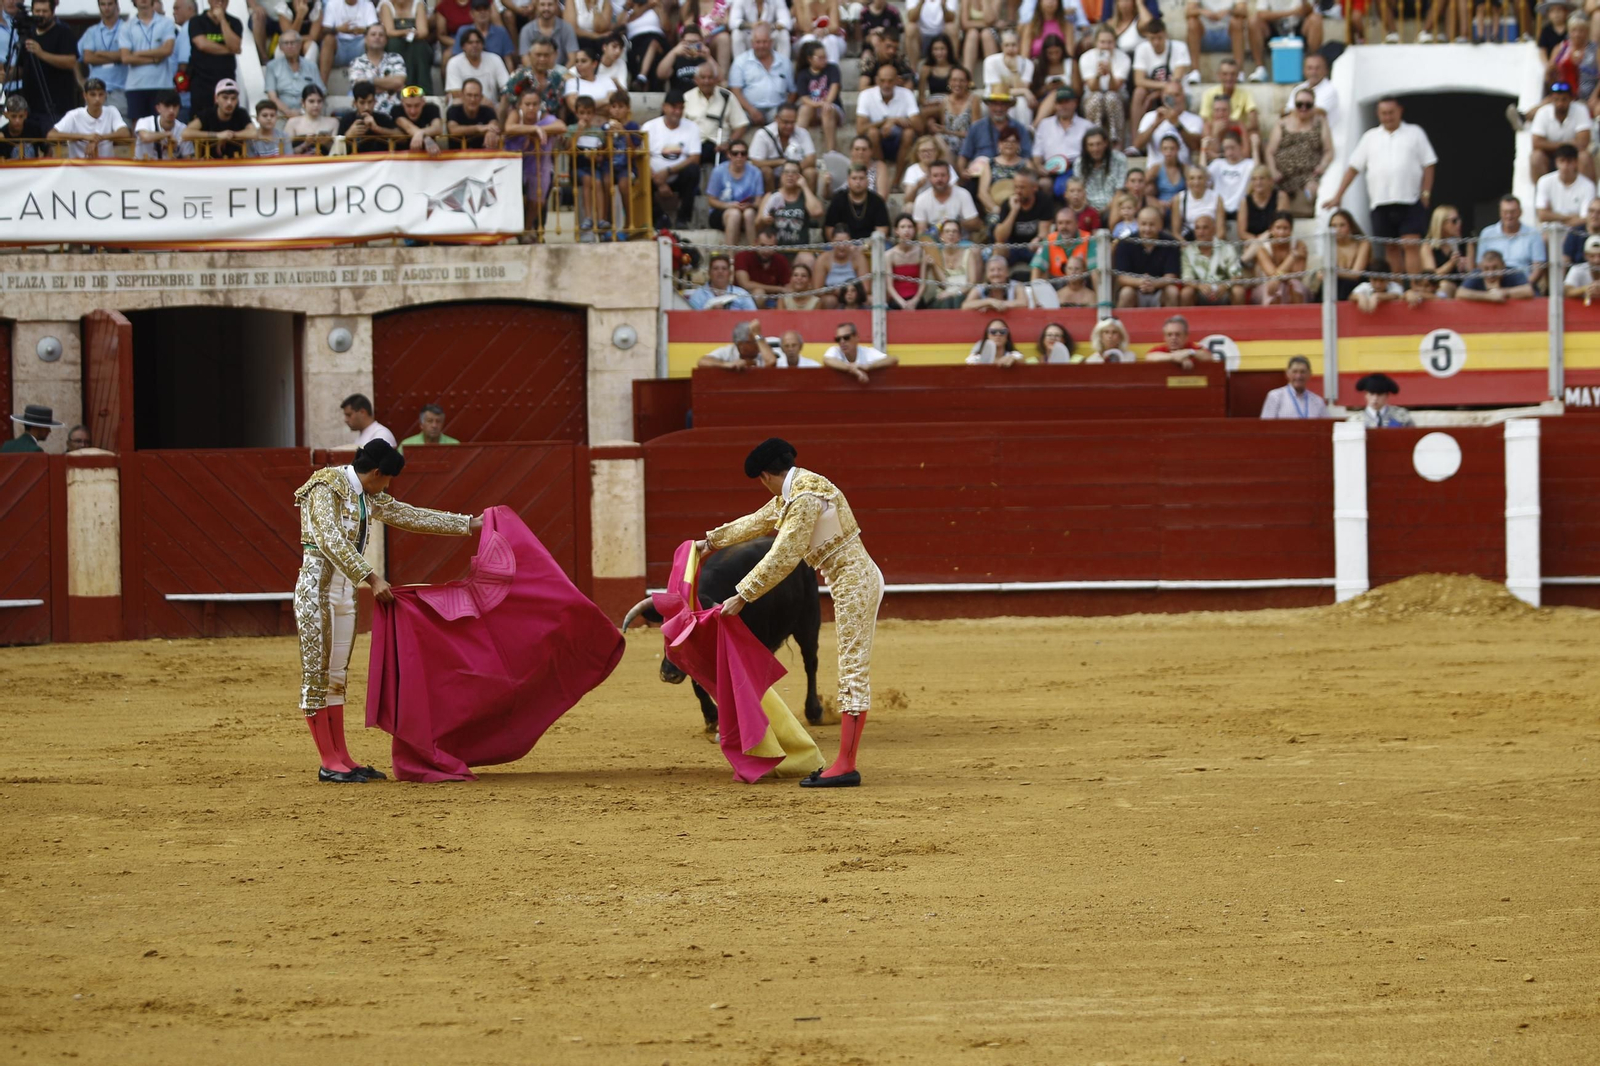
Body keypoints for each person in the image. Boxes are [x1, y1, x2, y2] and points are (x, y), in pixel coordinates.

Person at [293, 440, 484, 782]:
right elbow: (330, 539)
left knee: (336, 676)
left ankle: (343, 757)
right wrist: (372, 577)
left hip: (344, 593)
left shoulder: (367, 494)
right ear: (378, 472)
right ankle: (328, 761)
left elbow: (408, 515)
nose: (386, 488)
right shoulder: (325, 485)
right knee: (317, 675)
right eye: (387, 480)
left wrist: (469, 524)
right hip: (315, 592)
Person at [697, 439, 881, 788]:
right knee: (851, 668)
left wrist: (743, 595)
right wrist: (709, 542)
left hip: (855, 583)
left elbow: (785, 554)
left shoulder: (803, 497)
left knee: (852, 671)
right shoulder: (799, 489)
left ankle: (846, 765)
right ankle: (845, 762)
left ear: (765, 476)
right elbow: (758, 521)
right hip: (850, 578)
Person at [1323, 97, 1436, 282]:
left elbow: (1429, 164)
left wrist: (1426, 193)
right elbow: (1354, 167)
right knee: (1390, 247)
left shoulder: (1415, 133)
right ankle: (1397, 288)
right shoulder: (1370, 137)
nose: (1388, 117)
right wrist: (1338, 195)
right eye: (1384, 113)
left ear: (1400, 111)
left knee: (1410, 245)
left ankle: (1416, 288)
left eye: (1391, 112)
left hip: (1410, 199)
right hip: (1380, 202)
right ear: (1378, 114)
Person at [1267, 85, 1332, 216]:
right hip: (1282, 177)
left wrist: (1322, 166)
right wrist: (1273, 171)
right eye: (1299, 104)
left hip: (1308, 177)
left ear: (1313, 105)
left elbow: (1329, 150)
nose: (1303, 108)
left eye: (1308, 105)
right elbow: (1270, 151)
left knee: (1309, 197)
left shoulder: (1320, 122)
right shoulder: (1282, 123)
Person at [642, 88, 703, 226]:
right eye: (674, 107)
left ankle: (683, 219)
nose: (677, 111)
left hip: (678, 176)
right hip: (653, 176)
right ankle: (659, 217)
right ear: (664, 107)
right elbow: (642, 158)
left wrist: (668, 171)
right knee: (638, 174)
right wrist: (659, 181)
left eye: (681, 108)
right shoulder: (649, 127)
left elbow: (695, 158)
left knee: (693, 170)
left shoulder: (692, 127)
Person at [18, 0, 80, 131]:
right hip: (30, 107)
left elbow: (70, 62)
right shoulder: (28, 35)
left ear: (52, 12)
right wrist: (6, 74)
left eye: (44, 11)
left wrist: (41, 54)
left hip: (56, 107)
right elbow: (21, 67)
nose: (40, 15)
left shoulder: (64, 33)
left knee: (53, 142)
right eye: (37, 11)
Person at [118, 0, 177, 126]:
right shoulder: (126, 26)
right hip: (136, 86)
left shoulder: (166, 22)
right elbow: (126, 58)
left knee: (163, 125)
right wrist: (154, 59)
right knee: (138, 127)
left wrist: (138, 53)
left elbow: (167, 50)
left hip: (162, 84)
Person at [857, 60, 922, 172]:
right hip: (875, 142)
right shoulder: (866, 95)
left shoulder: (906, 94)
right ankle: (882, 173)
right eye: (882, 81)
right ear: (877, 80)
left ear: (897, 80)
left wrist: (896, 122)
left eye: (890, 81)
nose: (886, 85)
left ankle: (897, 179)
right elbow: (860, 129)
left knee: (909, 133)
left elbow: (920, 127)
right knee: (872, 133)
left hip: (900, 141)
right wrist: (886, 121)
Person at [683, 60, 748, 166]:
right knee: (688, 169)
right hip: (695, 147)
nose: (706, 81)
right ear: (696, 80)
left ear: (716, 79)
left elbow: (741, 125)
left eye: (710, 77)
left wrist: (729, 143)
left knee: (728, 167)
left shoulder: (727, 96)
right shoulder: (687, 97)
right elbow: (679, 126)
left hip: (720, 146)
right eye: (703, 77)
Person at [48, 77, 130, 159]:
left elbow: (125, 133)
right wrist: (84, 137)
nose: (97, 99)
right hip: (78, 164)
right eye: (93, 95)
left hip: (105, 164)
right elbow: (51, 135)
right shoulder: (74, 115)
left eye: (100, 94)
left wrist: (97, 139)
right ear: (85, 95)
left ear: (105, 95)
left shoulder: (111, 111)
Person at [1478, 195, 1547, 291]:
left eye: (1513, 212)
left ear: (1520, 212)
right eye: (1505, 212)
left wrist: (1523, 288)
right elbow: (1480, 265)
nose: (1509, 216)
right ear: (1500, 213)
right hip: (1492, 286)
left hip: (1524, 285)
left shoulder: (1533, 234)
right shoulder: (1487, 234)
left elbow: (1538, 268)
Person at [728, 22, 792, 125]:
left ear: (771, 42)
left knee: (785, 119)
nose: (761, 46)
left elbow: (793, 91)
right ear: (752, 43)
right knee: (736, 119)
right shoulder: (740, 61)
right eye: (758, 42)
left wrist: (784, 110)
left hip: (776, 109)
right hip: (748, 109)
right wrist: (751, 110)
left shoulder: (784, 62)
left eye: (765, 42)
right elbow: (735, 90)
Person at [1115, 205, 1180, 307]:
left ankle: (1172, 318)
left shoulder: (1170, 243)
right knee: (1126, 292)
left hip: (1160, 289)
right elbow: (1122, 277)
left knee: (1172, 291)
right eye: (1143, 224)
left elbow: (1171, 276)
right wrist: (1140, 282)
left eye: (1152, 224)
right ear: (1137, 223)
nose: (1147, 229)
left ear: (1160, 225)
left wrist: (1154, 284)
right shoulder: (1125, 243)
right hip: (1135, 289)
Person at [1530, 80, 1593, 182]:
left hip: (1573, 156)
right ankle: (1539, 190)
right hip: (1550, 157)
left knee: (1584, 157)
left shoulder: (1580, 110)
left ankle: (1587, 191)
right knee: (1536, 157)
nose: (1560, 103)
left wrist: (1549, 144)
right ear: (1551, 99)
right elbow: (1536, 143)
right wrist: (1567, 144)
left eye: (1564, 99)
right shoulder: (1542, 113)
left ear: (1571, 99)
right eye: (1556, 99)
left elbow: (1583, 143)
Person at [750, 102, 818, 193]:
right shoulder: (762, 134)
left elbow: (811, 159)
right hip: (772, 176)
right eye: (786, 122)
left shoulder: (802, 133)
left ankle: (807, 202)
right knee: (766, 171)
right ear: (776, 119)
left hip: (796, 174)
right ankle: (770, 199)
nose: (789, 126)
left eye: (792, 122)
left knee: (811, 172)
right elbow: (755, 162)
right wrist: (782, 162)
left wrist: (791, 172)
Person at [77, 0, 129, 120]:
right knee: (92, 126)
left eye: (110, 4)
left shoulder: (127, 28)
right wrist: (80, 80)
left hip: (120, 90)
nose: (106, 8)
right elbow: (86, 57)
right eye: (103, 4)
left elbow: (126, 56)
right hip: (95, 90)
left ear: (117, 6)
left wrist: (100, 53)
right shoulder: (92, 32)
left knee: (122, 127)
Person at [1129, 18, 1189, 121]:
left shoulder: (1180, 47)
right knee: (1139, 92)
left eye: (1159, 38)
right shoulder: (1141, 49)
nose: (1156, 42)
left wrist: (1156, 93)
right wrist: (1162, 86)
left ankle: (1176, 125)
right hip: (1155, 88)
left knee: (1172, 92)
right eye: (1152, 38)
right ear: (1147, 37)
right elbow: (1139, 80)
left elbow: (1176, 80)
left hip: (1174, 89)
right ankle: (1136, 130)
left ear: (1166, 35)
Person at [1248, 0, 1320, 84]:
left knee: (1315, 19)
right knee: (1253, 21)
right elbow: (1261, 14)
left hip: (1299, 27)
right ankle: (1261, 69)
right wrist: (1292, 12)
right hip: (1275, 28)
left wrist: (1304, 4)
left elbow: (1309, 10)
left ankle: (1310, 66)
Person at [1180, 212, 1243, 305]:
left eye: (1205, 228)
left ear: (1214, 230)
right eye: (1197, 228)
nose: (1201, 232)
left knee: (1238, 291)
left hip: (1224, 291)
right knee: (1186, 293)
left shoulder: (1227, 248)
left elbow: (1236, 274)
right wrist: (1199, 286)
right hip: (1200, 292)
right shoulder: (1188, 251)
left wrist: (1225, 286)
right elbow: (1187, 278)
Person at [182, 78, 256, 157]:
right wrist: (217, 135)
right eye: (225, 98)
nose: (229, 102)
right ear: (216, 98)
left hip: (236, 161)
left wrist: (230, 135)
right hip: (209, 161)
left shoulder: (241, 113)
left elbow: (254, 133)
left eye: (233, 98)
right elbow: (185, 133)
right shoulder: (207, 114)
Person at [263, 30, 326, 117]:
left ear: (300, 45)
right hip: (282, 113)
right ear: (280, 47)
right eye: (286, 43)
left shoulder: (311, 66)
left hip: (308, 112)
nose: (289, 46)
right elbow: (272, 96)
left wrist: (304, 111)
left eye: (293, 43)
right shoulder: (272, 66)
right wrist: (288, 112)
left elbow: (321, 92)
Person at [349, 23, 408, 113]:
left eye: (381, 35)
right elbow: (360, 90)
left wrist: (370, 80)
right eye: (373, 34)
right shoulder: (357, 62)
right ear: (365, 39)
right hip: (367, 113)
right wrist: (390, 87)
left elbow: (399, 82)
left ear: (386, 40)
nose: (377, 37)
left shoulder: (396, 58)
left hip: (394, 113)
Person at [319, 0, 380, 86]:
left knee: (373, 39)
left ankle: (374, 84)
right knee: (328, 39)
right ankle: (322, 87)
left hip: (359, 45)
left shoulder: (367, 5)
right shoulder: (332, 4)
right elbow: (325, 30)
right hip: (339, 46)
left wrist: (363, 30)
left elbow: (376, 29)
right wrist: (339, 29)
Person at [913, 158, 981, 234]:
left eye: (943, 175)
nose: (939, 179)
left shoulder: (963, 194)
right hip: (933, 240)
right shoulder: (921, 199)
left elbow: (975, 224)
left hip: (961, 239)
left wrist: (953, 223)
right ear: (929, 178)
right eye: (935, 176)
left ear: (949, 176)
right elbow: (921, 231)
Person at [824, 163, 891, 239]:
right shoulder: (838, 200)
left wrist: (869, 244)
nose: (858, 182)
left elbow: (882, 230)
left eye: (861, 178)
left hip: (870, 243)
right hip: (843, 243)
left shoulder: (877, 201)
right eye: (854, 178)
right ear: (848, 181)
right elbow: (829, 229)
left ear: (867, 181)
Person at [1536, 143, 1597, 227]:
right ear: (1556, 162)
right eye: (1562, 161)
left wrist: (1552, 215)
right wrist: (1570, 217)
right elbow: (1542, 215)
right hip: (1550, 230)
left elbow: (1585, 218)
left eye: (1569, 162)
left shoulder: (1588, 186)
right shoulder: (1544, 181)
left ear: (1576, 163)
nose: (1565, 166)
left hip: (1577, 230)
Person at [734, 224, 795, 306]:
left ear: (776, 246)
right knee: (759, 293)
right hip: (744, 301)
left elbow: (788, 286)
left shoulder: (781, 260)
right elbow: (745, 284)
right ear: (755, 243)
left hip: (774, 301)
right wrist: (779, 289)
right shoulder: (742, 256)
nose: (766, 250)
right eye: (762, 245)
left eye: (770, 246)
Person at [446, 27, 509, 100]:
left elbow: (506, 87)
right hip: (463, 105)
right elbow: (456, 93)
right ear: (463, 46)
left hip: (491, 105)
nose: (474, 45)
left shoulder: (495, 59)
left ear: (482, 45)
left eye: (478, 42)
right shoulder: (454, 63)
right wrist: (482, 101)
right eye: (470, 43)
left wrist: (501, 105)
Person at [337, 79, 400, 150]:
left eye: (370, 102)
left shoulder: (383, 118)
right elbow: (336, 151)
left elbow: (402, 137)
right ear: (355, 103)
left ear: (375, 102)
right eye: (362, 103)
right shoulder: (346, 120)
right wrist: (348, 136)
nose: (366, 107)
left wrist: (377, 129)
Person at [822, 322, 896, 381]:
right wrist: (853, 369)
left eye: (846, 337)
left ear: (857, 337)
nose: (842, 342)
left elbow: (893, 359)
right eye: (838, 339)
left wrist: (868, 367)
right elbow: (826, 360)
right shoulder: (835, 350)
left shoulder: (866, 352)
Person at [1259, 355, 1327, 419]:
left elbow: (1328, 425)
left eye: (1302, 372)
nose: (1298, 376)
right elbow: (1266, 425)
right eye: (1295, 372)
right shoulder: (1275, 397)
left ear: (1309, 374)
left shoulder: (1318, 402)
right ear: (1287, 373)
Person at [1458, 249, 1536, 302]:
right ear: (1481, 267)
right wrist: (1488, 296)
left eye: (1495, 268)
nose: (1491, 273)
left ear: (1503, 266)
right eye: (1486, 268)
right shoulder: (1477, 274)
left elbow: (1528, 291)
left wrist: (1503, 292)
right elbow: (1460, 293)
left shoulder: (1512, 272)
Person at [688, 254, 760, 309]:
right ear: (709, 273)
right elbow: (692, 319)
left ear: (730, 273)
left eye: (724, 268)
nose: (720, 271)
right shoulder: (698, 295)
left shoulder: (742, 294)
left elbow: (753, 317)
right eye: (715, 268)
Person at [699, 319, 778, 369]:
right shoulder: (729, 351)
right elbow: (702, 361)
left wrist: (758, 335)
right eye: (754, 341)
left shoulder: (763, 348)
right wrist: (726, 364)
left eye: (757, 340)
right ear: (741, 345)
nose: (758, 344)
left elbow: (771, 362)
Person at [133, 88, 188, 158]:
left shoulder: (183, 128)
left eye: (175, 106)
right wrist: (167, 134)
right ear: (158, 108)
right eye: (167, 106)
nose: (171, 110)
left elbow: (188, 157)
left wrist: (175, 148)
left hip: (170, 164)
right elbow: (145, 137)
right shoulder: (144, 122)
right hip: (143, 164)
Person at [963, 251, 1028, 309]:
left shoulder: (1017, 285)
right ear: (987, 274)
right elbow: (965, 306)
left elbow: (1023, 303)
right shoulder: (980, 288)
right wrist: (988, 302)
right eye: (992, 270)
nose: (996, 273)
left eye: (999, 269)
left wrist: (996, 304)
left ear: (1007, 272)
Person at [394, 82, 446, 153]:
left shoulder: (432, 108)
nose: (413, 111)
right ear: (402, 103)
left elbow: (437, 128)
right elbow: (408, 127)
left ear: (423, 102)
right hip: (401, 154)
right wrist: (426, 138)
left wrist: (421, 133)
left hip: (429, 153)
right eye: (408, 106)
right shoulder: (396, 110)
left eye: (417, 105)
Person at [1563, 234, 1600, 302]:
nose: (1596, 260)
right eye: (1592, 256)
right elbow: (1566, 291)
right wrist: (1585, 289)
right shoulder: (1577, 269)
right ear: (1585, 255)